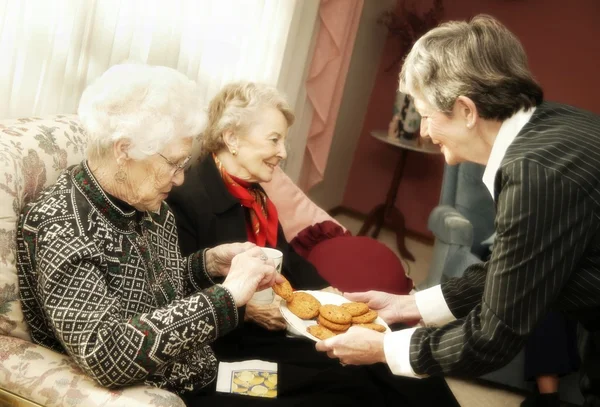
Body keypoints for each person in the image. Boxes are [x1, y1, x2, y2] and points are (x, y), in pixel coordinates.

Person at [315, 14, 600, 407]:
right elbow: (512, 266)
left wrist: (387, 348)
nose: (425, 132)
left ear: (466, 110)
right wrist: (410, 305)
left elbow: (492, 337)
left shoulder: (534, 174)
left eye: (427, 115)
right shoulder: (551, 123)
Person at [167, 82, 460, 406]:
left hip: (279, 329)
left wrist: (331, 293)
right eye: (274, 140)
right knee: (343, 381)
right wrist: (247, 311)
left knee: (390, 356)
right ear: (232, 137)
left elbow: (288, 260)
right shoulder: (187, 198)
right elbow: (176, 290)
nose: (283, 153)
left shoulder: (257, 197)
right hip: (228, 351)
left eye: (284, 141)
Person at [16, 63, 281, 398]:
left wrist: (206, 265)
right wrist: (226, 297)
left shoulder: (150, 204)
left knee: (346, 383)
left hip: (207, 372)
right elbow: (106, 353)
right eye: (174, 163)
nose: (181, 178)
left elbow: (152, 292)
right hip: (172, 392)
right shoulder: (63, 228)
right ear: (124, 150)